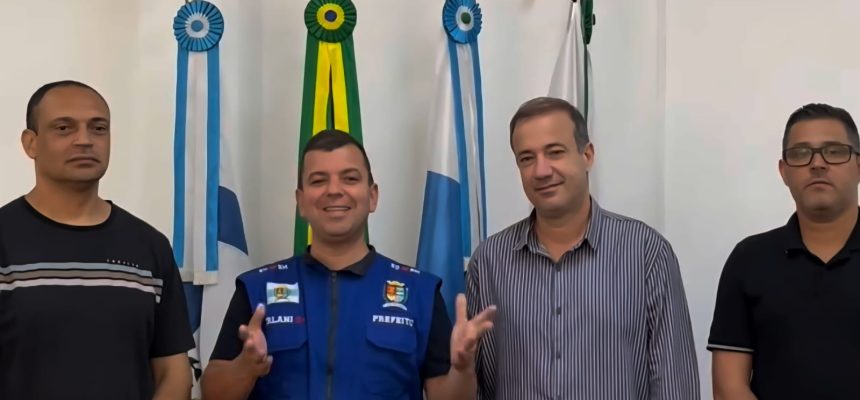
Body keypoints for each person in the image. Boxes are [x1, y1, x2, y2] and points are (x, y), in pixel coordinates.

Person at [202, 129, 496, 400]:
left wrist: (463, 370)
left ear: (372, 196)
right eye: (318, 180)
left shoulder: (420, 292)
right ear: (301, 202)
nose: (334, 190)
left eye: (350, 178)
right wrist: (245, 368)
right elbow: (212, 392)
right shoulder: (257, 289)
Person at [466, 97, 700, 399]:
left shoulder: (646, 252)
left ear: (587, 155)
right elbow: (475, 386)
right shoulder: (489, 262)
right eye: (527, 158)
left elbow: (674, 384)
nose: (541, 170)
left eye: (555, 152)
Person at [0, 80, 194, 399]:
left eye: (98, 128)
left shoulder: (150, 246)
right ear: (30, 143)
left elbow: (173, 373)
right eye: (64, 128)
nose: (85, 140)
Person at [709, 103, 860, 400]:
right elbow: (729, 387)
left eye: (834, 151)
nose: (818, 164)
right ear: (783, 171)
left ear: (858, 165)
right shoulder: (749, 260)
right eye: (801, 154)